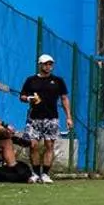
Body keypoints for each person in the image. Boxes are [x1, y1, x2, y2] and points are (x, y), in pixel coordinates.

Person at [19, 53, 73, 184]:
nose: (48, 66)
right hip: (34, 118)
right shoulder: (31, 80)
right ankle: (35, 173)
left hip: (51, 118)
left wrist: (68, 117)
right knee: (33, 145)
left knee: (49, 145)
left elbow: (64, 98)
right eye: (45, 64)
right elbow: (22, 96)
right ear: (40, 65)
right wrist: (29, 98)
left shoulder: (58, 81)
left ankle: (45, 174)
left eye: (50, 64)